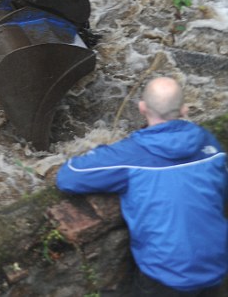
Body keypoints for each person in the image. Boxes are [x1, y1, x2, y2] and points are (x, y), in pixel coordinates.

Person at [56, 76, 228, 296]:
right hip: (216, 263)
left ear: (142, 108)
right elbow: (220, 193)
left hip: (166, 275)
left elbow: (69, 177)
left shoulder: (130, 155)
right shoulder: (209, 144)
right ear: (185, 109)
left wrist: (103, 152)